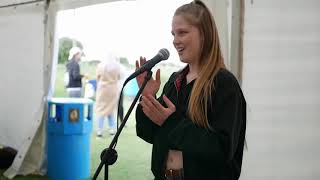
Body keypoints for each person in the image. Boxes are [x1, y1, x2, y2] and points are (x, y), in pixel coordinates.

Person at [135, 1, 246, 180]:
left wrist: (170, 122)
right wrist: (148, 98)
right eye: (173, 34)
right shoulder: (175, 80)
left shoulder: (223, 84)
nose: (175, 41)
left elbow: (222, 150)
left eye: (182, 33)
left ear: (205, 35)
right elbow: (150, 134)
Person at [95, 53, 121, 137]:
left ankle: (99, 131)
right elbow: (119, 77)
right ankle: (112, 130)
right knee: (111, 110)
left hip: (102, 89)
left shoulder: (100, 66)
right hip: (113, 89)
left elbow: (98, 77)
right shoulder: (117, 67)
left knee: (101, 110)